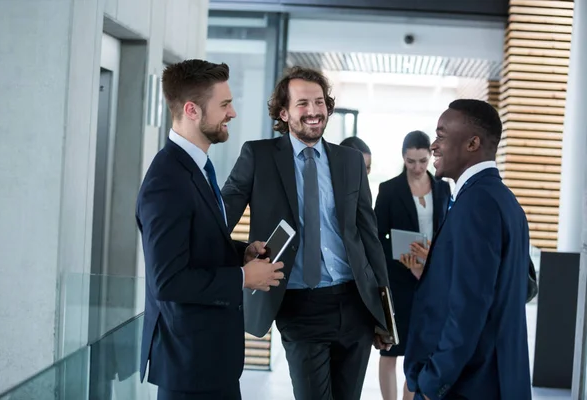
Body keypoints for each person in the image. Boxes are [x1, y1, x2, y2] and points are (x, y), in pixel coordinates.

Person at [221, 66, 391, 400]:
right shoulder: (258, 156)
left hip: (354, 304)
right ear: (283, 112)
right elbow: (218, 221)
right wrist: (243, 252)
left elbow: (368, 236)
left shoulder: (351, 161)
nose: (313, 111)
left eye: (319, 102)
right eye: (302, 104)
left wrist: (385, 313)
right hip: (300, 306)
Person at [135, 59, 285, 400]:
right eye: (224, 105)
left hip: (209, 361)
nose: (232, 113)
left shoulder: (196, 167)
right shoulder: (167, 182)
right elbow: (169, 281)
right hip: (189, 367)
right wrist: (245, 278)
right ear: (191, 110)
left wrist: (240, 252)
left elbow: (195, 246)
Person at [404, 99, 531, 399]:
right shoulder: (503, 200)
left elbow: (467, 309)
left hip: (471, 385)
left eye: (442, 135)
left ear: (473, 143)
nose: (434, 145)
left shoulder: (478, 204)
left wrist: (433, 382)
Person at [374, 130, 451, 400]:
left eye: (422, 160)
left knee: (421, 350)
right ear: (403, 158)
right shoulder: (389, 189)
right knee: (392, 349)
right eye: (411, 161)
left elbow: (446, 230)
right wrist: (400, 256)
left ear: (430, 156)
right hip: (398, 280)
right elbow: (376, 236)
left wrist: (431, 258)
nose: (417, 167)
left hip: (430, 278)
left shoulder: (443, 188)